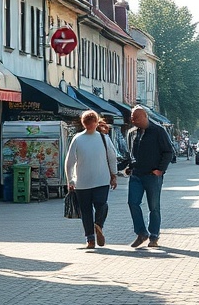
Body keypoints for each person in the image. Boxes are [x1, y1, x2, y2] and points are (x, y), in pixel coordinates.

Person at [64, 110, 118, 249]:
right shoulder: (103, 138)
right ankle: (98, 225)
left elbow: (69, 162)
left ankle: (90, 239)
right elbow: (112, 157)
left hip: (82, 182)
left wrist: (70, 180)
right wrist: (114, 175)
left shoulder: (78, 138)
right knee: (102, 205)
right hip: (101, 180)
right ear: (95, 122)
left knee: (86, 211)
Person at [124, 106, 175, 248]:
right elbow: (131, 153)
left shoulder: (158, 131)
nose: (134, 121)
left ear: (145, 116)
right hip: (136, 175)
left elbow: (168, 152)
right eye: (132, 119)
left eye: (137, 119)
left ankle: (154, 236)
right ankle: (141, 233)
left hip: (152, 175)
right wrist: (130, 166)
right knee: (132, 203)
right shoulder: (132, 133)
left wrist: (160, 170)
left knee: (154, 207)